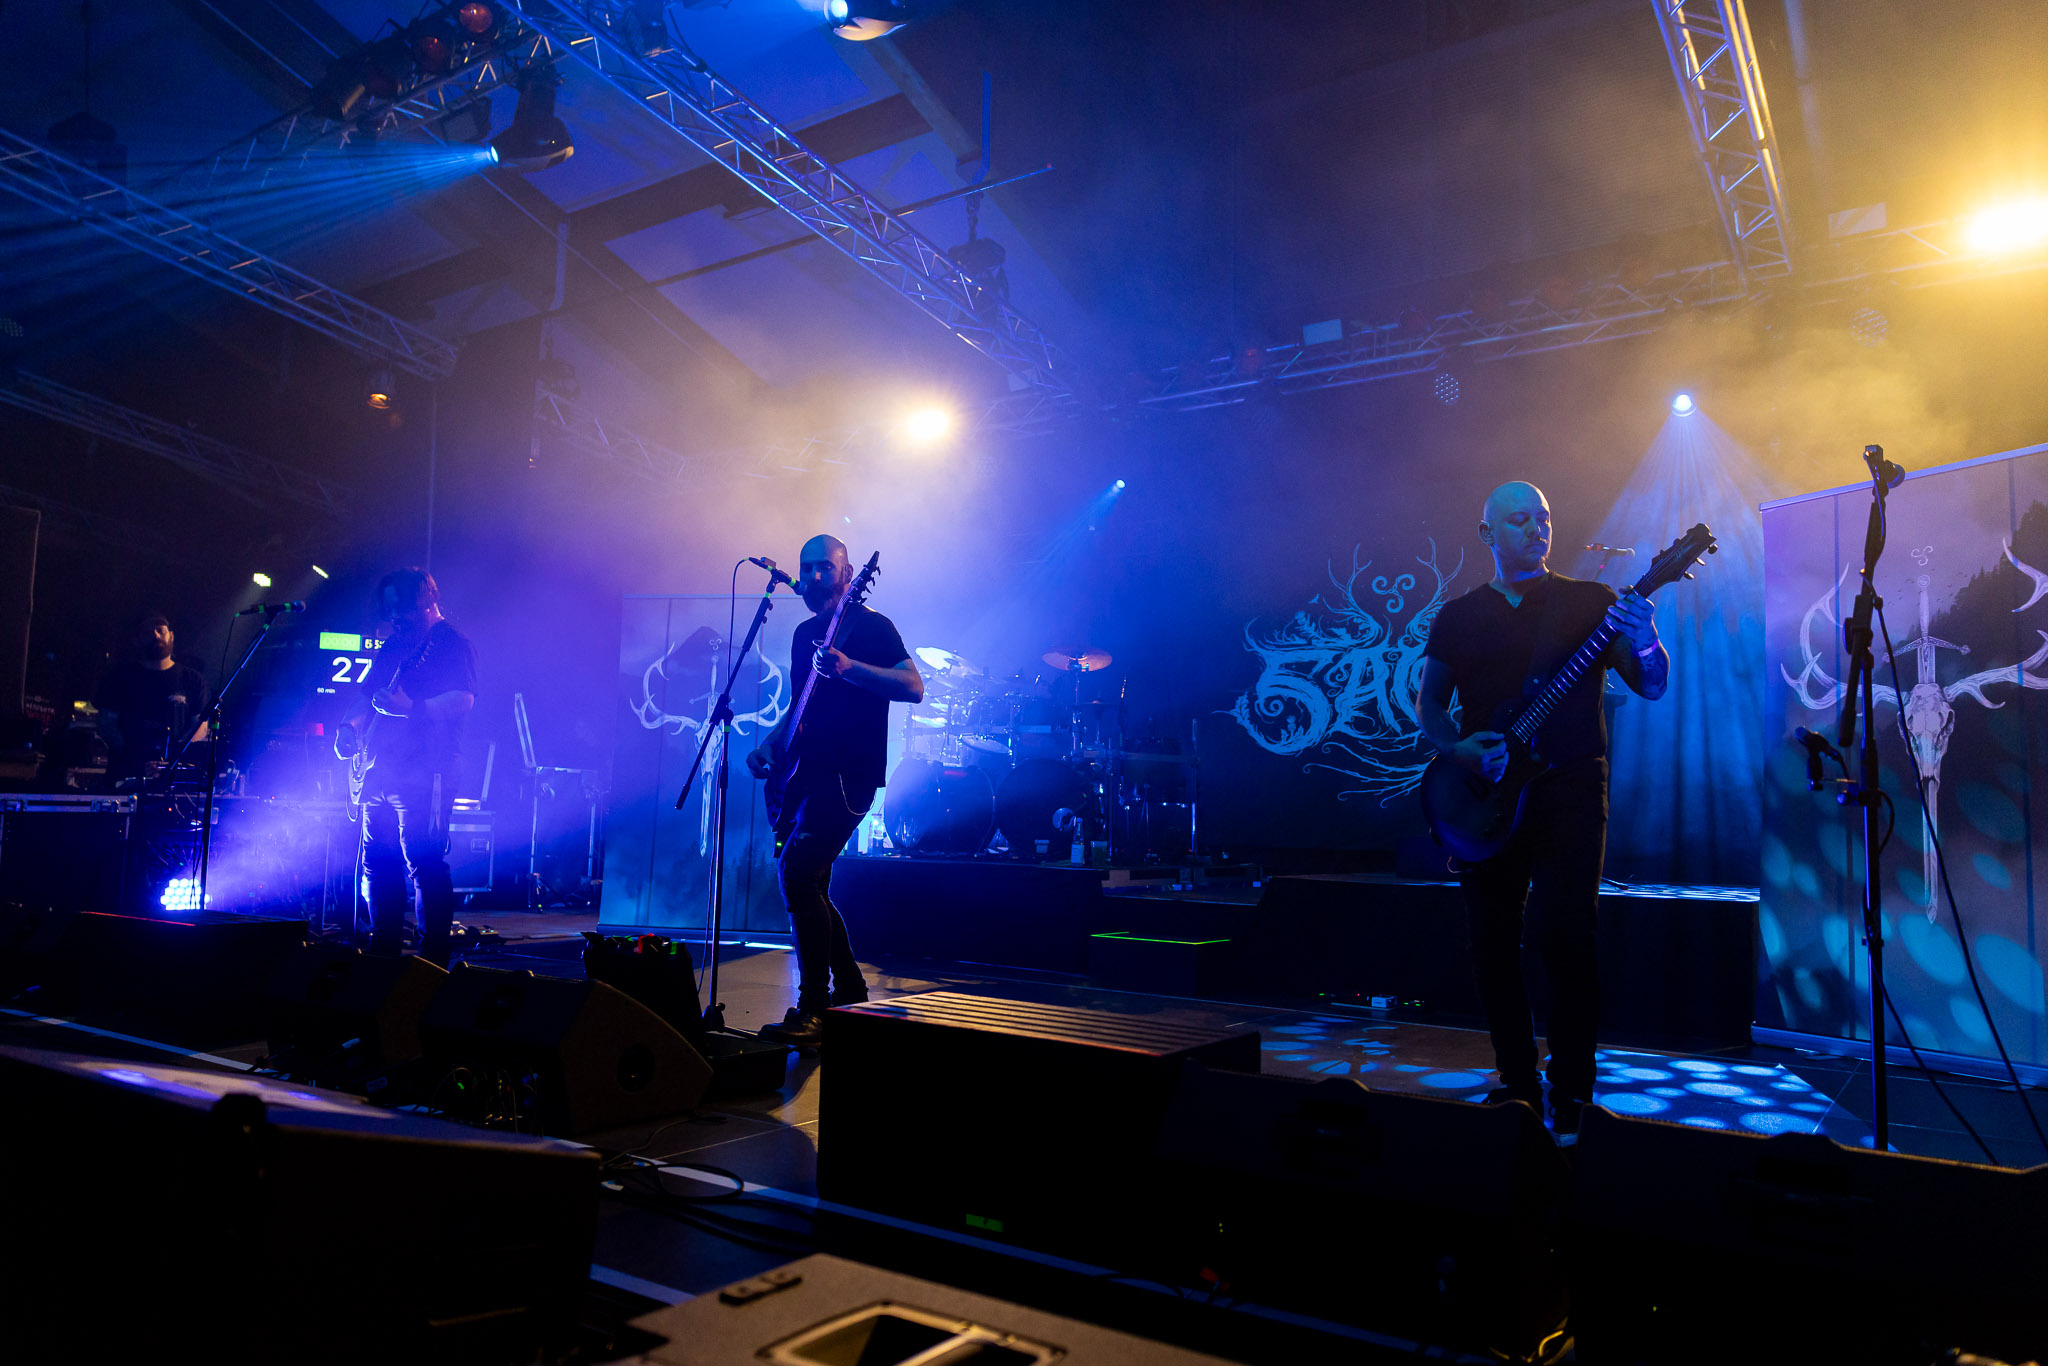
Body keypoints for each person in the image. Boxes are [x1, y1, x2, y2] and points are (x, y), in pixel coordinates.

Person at [1416, 482, 1666, 1135]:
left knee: (1568, 937)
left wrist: (1646, 639)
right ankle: (1518, 1084)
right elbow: (1430, 705)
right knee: (1491, 941)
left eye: (1544, 518)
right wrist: (1460, 750)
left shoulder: (1592, 602)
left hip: (1570, 789)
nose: (1537, 528)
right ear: (1487, 533)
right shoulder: (1458, 615)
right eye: (1520, 519)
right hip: (1487, 796)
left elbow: (1652, 684)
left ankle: (1573, 1091)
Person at [746, 535, 924, 1045]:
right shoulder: (804, 634)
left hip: (849, 775)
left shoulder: (872, 627)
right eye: (807, 568)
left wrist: (849, 668)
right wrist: (771, 744)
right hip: (804, 774)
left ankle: (815, 1007)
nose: (813, 576)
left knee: (797, 875)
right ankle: (848, 993)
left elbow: (913, 687)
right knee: (812, 886)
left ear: (848, 575)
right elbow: (800, 705)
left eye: (825, 567)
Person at [335, 569, 476, 969]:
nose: (394, 615)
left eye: (401, 607)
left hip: (428, 768)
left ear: (427, 599)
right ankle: (382, 953)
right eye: (389, 608)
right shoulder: (395, 644)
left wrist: (412, 708)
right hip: (380, 768)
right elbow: (367, 695)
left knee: (424, 863)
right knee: (377, 862)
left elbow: (464, 698)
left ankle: (431, 964)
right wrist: (348, 728)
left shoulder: (452, 642)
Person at [92, 612, 210, 785]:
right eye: (148, 631)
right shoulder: (118, 677)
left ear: (171, 636)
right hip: (125, 774)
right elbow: (106, 724)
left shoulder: (192, 680)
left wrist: (171, 758)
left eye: (160, 630)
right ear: (137, 639)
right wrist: (135, 758)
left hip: (174, 776)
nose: (155, 635)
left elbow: (200, 726)